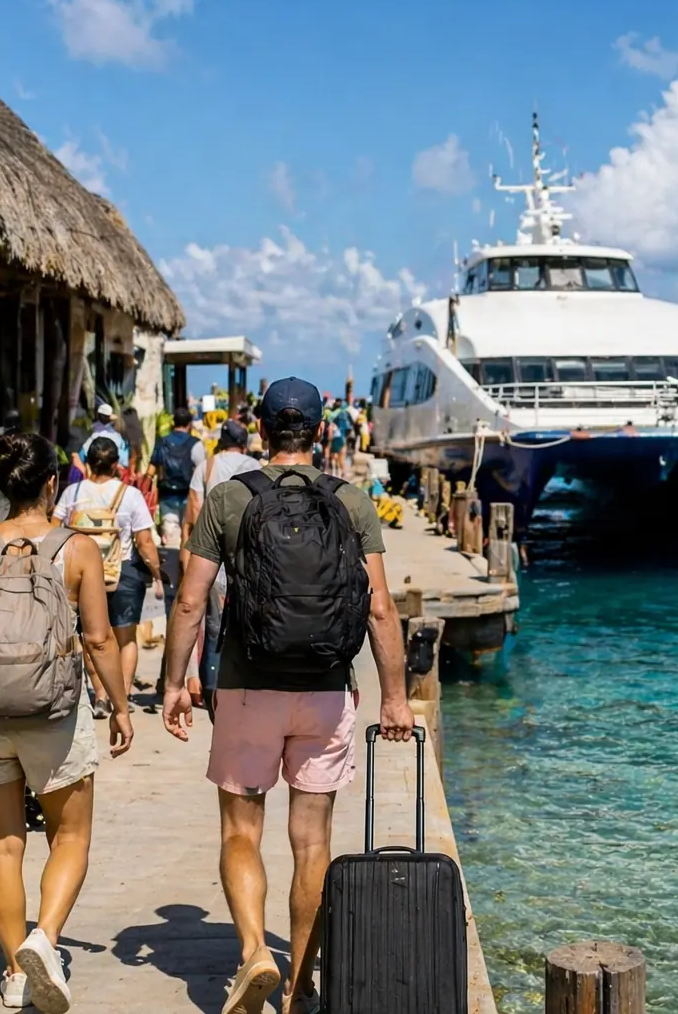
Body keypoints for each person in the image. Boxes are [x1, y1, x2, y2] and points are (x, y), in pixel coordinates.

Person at [162, 377, 413, 1014]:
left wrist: (174, 683)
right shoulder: (351, 502)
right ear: (322, 430)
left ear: (263, 430)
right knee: (312, 843)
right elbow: (380, 609)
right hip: (327, 692)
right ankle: (300, 989)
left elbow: (191, 599)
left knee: (241, 832)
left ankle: (253, 953)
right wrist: (395, 698)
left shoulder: (227, 499)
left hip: (248, 687)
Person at [0, 432, 133, 1013]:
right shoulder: (77, 549)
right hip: (54, 715)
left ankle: (14, 972)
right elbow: (98, 638)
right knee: (71, 836)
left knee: (2, 845)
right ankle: (46, 938)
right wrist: (119, 706)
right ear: (51, 485)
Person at [54, 437, 163, 716]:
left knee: (90, 637)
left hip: (81, 575)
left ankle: (100, 695)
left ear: (88, 462)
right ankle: (122, 697)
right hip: (123, 571)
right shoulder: (130, 495)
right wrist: (156, 572)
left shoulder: (72, 493)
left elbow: (54, 531)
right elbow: (145, 542)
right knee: (125, 639)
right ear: (117, 465)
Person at [180, 419, 261, 716]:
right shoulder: (256, 465)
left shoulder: (207, 466)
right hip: (251, 554)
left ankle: (213, 689)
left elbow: (195, 509)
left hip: (216, 554)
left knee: (214, 627)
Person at [149, 406, 200, 526]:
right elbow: (202, 473)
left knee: (171, 536)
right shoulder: (196, 444)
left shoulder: (162, 442)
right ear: (189, 424)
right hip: (189, 496)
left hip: (167, 495)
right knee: (188, 536)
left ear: (173, 423)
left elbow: (150, 471)